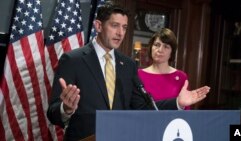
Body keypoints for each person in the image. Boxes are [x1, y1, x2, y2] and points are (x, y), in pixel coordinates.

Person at [47, 1, 210, 140]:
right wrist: (66, 109)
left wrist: (177, 103)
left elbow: (143, 106)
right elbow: (52, 113)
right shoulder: (73, 60)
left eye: (124, 27)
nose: (120, 33)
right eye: (114, 25)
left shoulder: (129, 65)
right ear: (98, 25)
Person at [138, 28, 190, 109]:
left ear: (172, 52)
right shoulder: (138, 75)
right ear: (151, 47)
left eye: (166, 46)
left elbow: (186, 110)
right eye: (157, 45)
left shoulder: (181, 77)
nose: (160, 50)